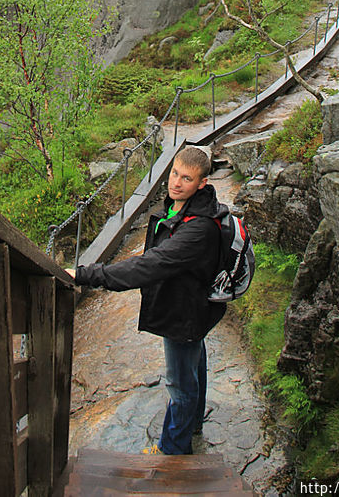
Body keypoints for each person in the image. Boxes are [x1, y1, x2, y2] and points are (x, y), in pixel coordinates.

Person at [67, 145, 227, 455]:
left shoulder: (198, 228)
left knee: (180, 385)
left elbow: (149, 265)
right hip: (193, 306)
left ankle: (173, 450)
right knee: (194, 364)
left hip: (184, 312)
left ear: (202, 184)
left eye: (187, 178)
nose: (176, 183)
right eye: (174, 174)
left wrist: (88, 275)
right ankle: (192, 424)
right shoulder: (185, 207)